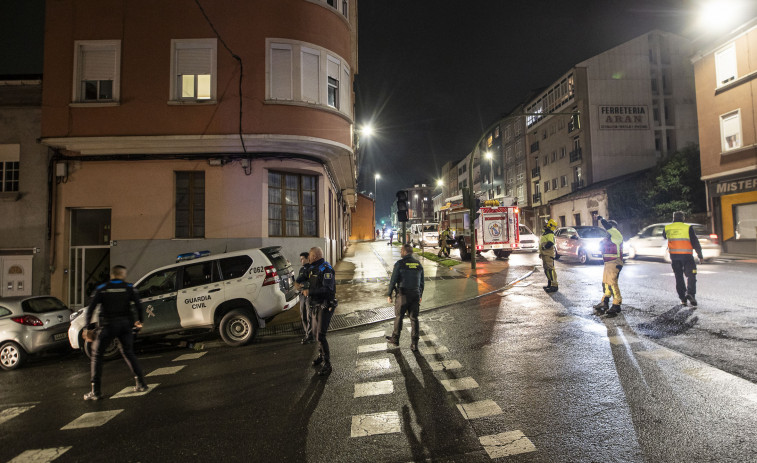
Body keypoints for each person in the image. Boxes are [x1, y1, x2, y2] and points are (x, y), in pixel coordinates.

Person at [83, 265, 147, 400]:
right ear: (123, 274)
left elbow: (91, 309)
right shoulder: (129, 287)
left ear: (112, 275)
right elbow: (139, 305)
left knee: (97, 355)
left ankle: (96, 391)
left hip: (108, 325)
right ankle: (141, 383)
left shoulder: (102, 289)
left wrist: (87, 328)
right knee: (128, 352)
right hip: (125, 325)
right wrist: (139, 321)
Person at [385, 244, 425, 352]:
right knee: (414, 318)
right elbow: (422, 283)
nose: (400, 253)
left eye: (401, 250)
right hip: (415, 294)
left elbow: (393, 280)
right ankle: (414, 344)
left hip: (403, 294)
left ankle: (395, 339)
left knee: (399, 317)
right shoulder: (418, 264)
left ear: (404, 251)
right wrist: (420, 295)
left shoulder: (400, 264)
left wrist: (389, 294)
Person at [304, 247, 337, 376]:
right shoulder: (314, 268)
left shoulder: (326, 269)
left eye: (311, 256)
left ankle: (328, 364)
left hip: (325, 306)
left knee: (321, 335)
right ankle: (321, 356)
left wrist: (310, 292)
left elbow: (328, 289)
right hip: (315, 305)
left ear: (316, 256)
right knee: (316, 333)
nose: (309, 258)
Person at [663, 211, 704, 306]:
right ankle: (691, 294)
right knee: (691, 275)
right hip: (687, 256)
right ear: (683, 218)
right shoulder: (688, 228)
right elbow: (695, 242)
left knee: (679, 277)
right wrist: (700, 255)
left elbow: (664, 236)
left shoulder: (667, 228)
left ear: (673, 218)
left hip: (674, 256)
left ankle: (683, 298)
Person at [594, 217, 624, 316]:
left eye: (608, 228)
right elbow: (601, 247)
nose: (607, 230)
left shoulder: (616, 235)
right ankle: (605, 302)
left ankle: (616, 304)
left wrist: (601, 219)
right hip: (607, 263)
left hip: (615, 262)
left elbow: (608, 227)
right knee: (606, 283)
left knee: (612, 283)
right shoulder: (608, 238)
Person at [295, 251, 313, 344]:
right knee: (303, 314)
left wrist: (304, 285)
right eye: (300, 259)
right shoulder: (302, 269)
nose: (301, 261)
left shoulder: (311, 269)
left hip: (308, 294)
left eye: (302, 259)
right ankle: (307, 333)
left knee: (309, 314)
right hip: (302, 294)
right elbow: (298, 282)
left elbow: (310, 282)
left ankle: (310, 335)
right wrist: (301, 286)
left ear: (307, 258)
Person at [539, 219, 559, 293]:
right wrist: (541, 252)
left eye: (547, 224)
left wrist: (544, 248)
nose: (545, 225)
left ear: (550, 225)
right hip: (545, 254)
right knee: (547, 269)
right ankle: (550, 284)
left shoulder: (550, 234)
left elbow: (550, 243)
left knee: (550, 269)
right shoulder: (546, 233)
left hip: (548, 254)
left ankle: (554, 285)